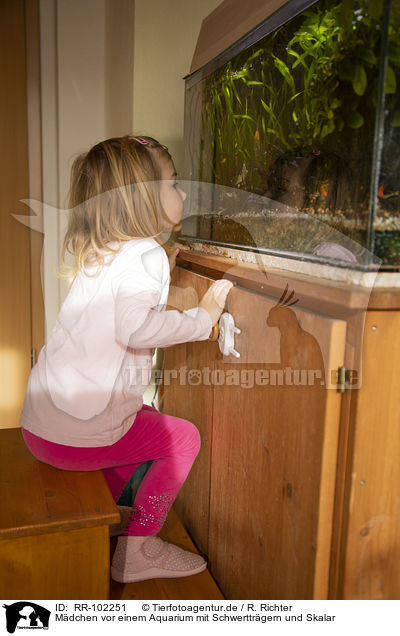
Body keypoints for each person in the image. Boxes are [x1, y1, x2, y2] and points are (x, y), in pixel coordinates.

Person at [20, 135, 233, 584]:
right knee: (182, 439)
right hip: (78, 438)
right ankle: (139, 550)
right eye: (174, 184)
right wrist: (202, 318)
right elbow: (133, 327)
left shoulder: (105, 250)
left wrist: (165, 267)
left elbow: (122, 302)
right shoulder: (145, 255)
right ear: (142, 199)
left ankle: (114, 519)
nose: (183, 193)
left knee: (141, 419)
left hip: (40, 428)